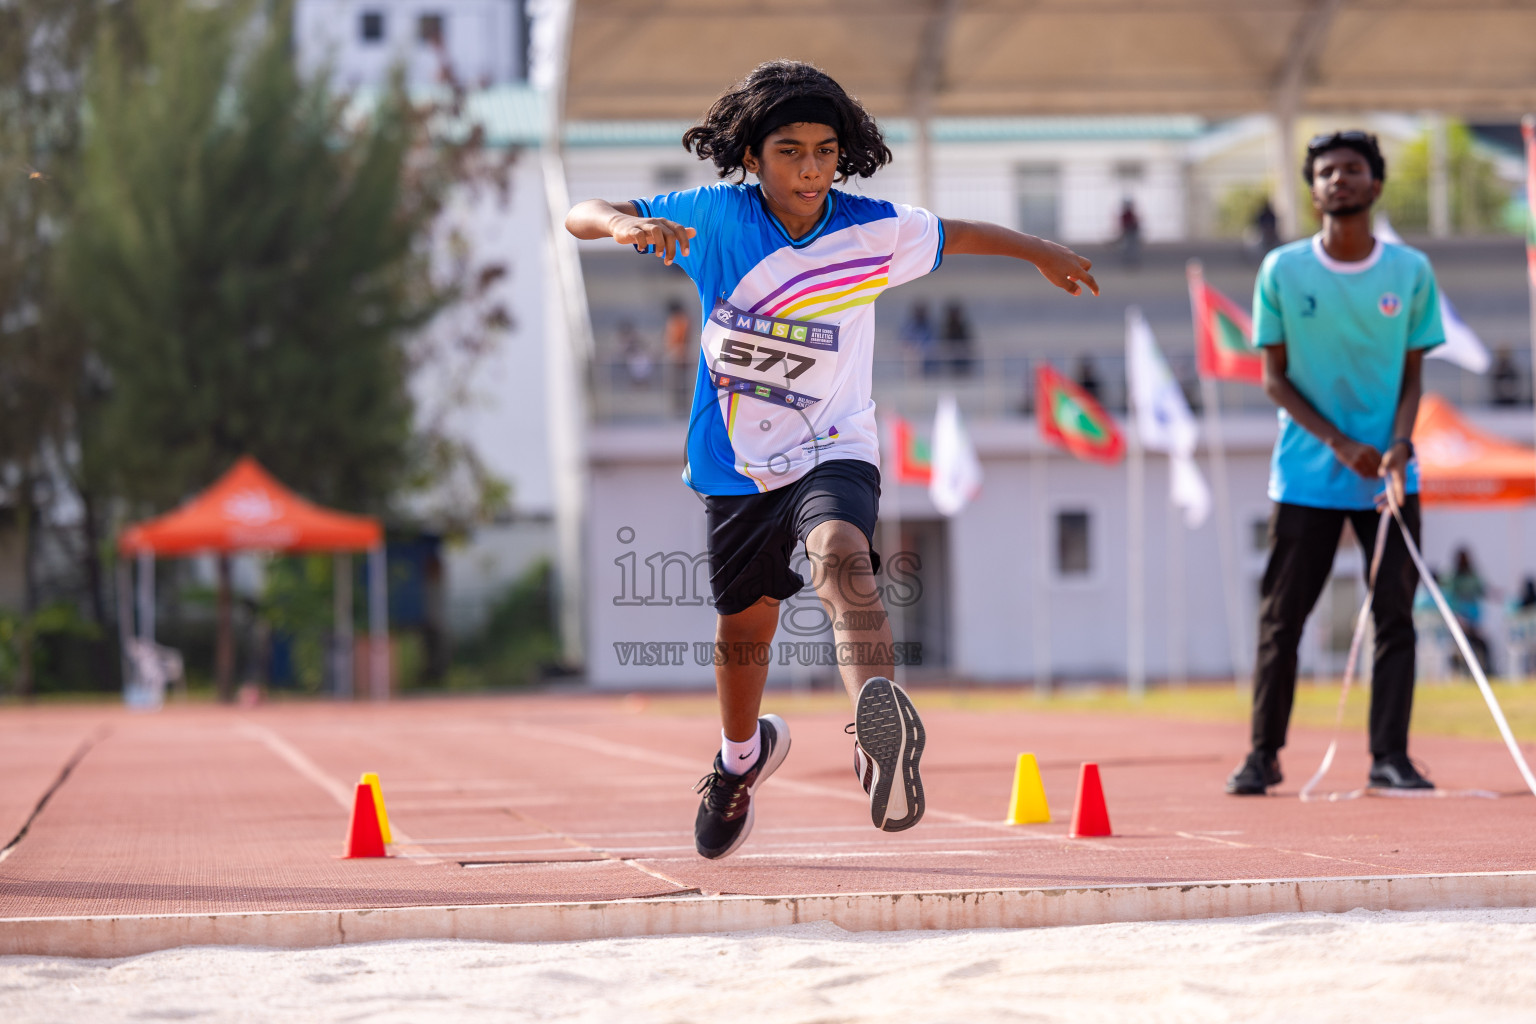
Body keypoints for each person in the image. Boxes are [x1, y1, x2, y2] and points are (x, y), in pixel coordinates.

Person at [566, 60, 1097, 859]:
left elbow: (962, 233)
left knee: (843, 556)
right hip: (738, 463)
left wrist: (1040, 250)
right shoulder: (714, 217)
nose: (809, 168)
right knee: (744, 630)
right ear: (752, 156)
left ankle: (877, 721)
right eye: (788, 151)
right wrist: (622, 226)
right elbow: (581, 211)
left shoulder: (871, 228)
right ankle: (739, 760)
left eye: (823, 151)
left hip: (836, 446)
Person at [1226, 130, 1445, 796]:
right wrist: (1339, 443)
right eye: (1326, 172)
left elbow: (1412, 377)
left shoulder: (1409, 273)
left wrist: (1400, 443)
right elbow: (1274, 379)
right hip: (1307, 476)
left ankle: (1390, 757)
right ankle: (1263, 757)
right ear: (1312, 188)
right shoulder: (1283, 271)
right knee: (1282, 621)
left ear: (1376, 185)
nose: (1339, 180)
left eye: (1353, 169)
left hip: (1388, 478)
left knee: (1396, 620)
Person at [1445, 547, 1491, 673]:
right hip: (1458, 624)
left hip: (1473, 624)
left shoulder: (1473, 576)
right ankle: (1457, 671)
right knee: (1459, 647)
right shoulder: (1453, 579)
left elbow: (1482, 589)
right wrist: (1458, 618)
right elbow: (1450, 601)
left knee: (1483, 645)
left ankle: (1486, 671)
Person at [662, 299, 693, 414]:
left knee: (682, 384)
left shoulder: (683, 320)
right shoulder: (673, 320)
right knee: (674, 384)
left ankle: (683, 407)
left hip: (681, 355)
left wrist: (681, 353)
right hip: (673, 355)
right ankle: (677, 407)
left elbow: (685, 339)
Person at [897, 301, 937, 376]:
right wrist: (913, 348)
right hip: (912, 359)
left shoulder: (930, 326)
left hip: (928, 361)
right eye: (918, 311)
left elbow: (932, 342)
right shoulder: (909, 326)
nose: (920, 314)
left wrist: (922, 349)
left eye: (922, 311)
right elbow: (904, 340)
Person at [940, 300, 975, 376]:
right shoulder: (946, 328)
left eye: (956, 313)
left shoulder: (963, 326)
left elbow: (968, 340)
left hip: (962, 356)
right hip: (951, 357)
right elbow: (944, 341)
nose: (954, 315)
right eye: (953, 313)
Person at [1117, 198, 1142, 268]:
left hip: (1132, 233)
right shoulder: (1125, 215)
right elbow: (1124, 225)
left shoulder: (1131, 215)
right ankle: (1128, 262)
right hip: (1127, 233)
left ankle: (1132, 262)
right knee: (1127, 248)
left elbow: (1135, 224)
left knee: (1132, 248)